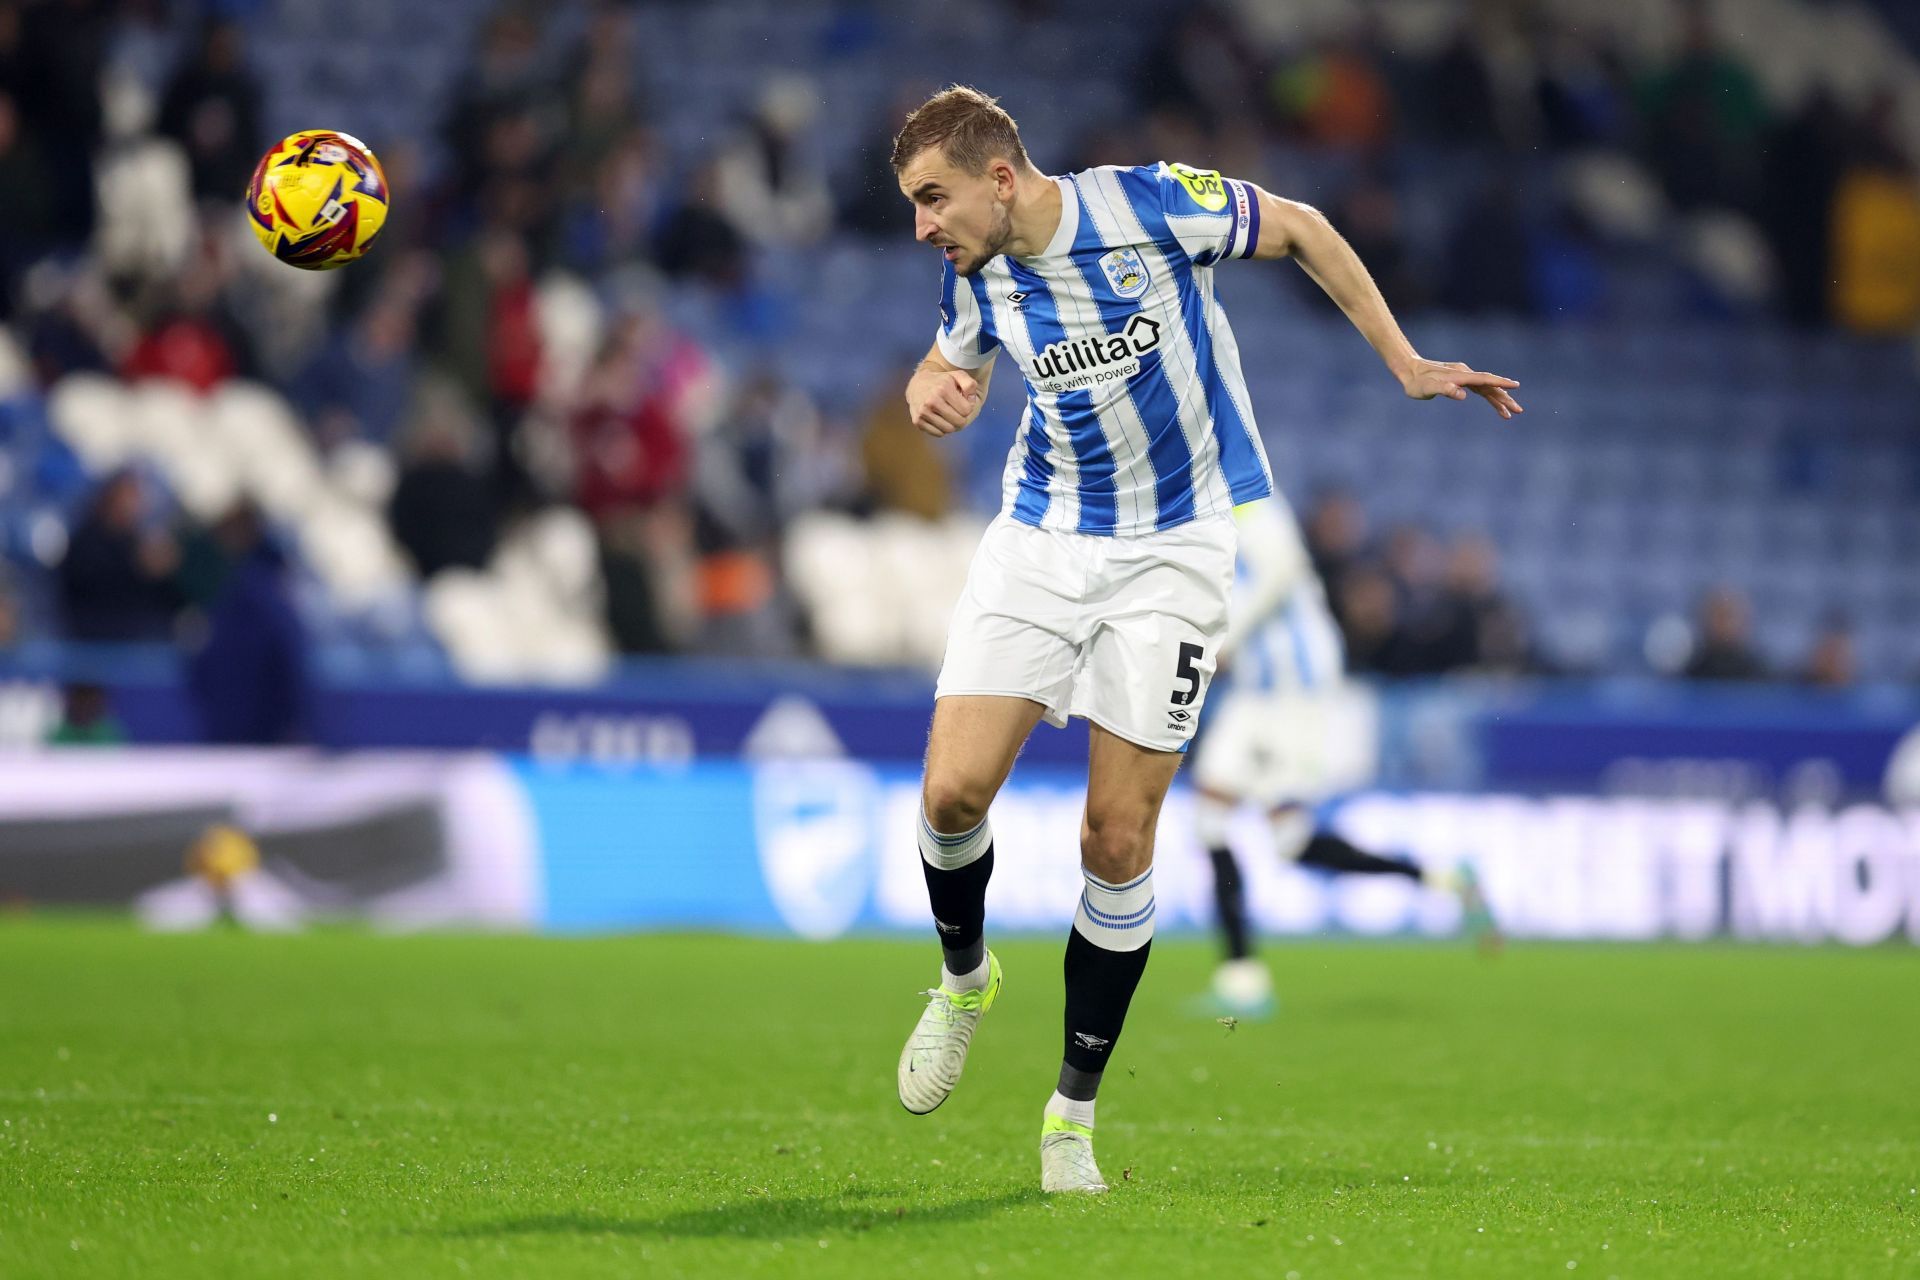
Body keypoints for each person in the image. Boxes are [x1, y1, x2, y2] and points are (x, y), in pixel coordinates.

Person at [888, 85, 1521, 1195]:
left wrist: (1407, 361)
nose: (923, 223)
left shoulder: (1149, 204)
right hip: (1041, 537)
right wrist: (928, 391)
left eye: (932, 197)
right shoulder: (974, 273)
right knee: (949, 797)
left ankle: (1070, 1118)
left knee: (1118, 838)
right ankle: (966, 975)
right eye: (912, 204)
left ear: (998, 175)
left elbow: (1306, 228)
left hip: (1177, 547)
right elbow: (953, 367)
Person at [1189, 497, 1498, 1018]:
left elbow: (1282, 569)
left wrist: (1226, 638)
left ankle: (1243, 978)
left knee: (1218, 819)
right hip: (1259, 692)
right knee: (1285, 839)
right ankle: (1444, 878)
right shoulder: (1204, 508)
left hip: (1292, 691)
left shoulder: (1250, 501)